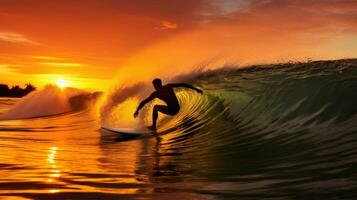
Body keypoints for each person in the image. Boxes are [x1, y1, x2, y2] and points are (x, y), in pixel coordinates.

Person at [134, 78, 203, 131]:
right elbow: (183, 84)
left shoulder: (156, 93)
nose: (154, 87)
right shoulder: (168, 86)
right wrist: (196, 89)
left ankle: (154, 126)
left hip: (171, 110)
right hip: (176, 108)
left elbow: (144, 101)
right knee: (158, 107)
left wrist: (137, 110)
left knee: (155, 107)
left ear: (156, 85)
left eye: (154, 86)